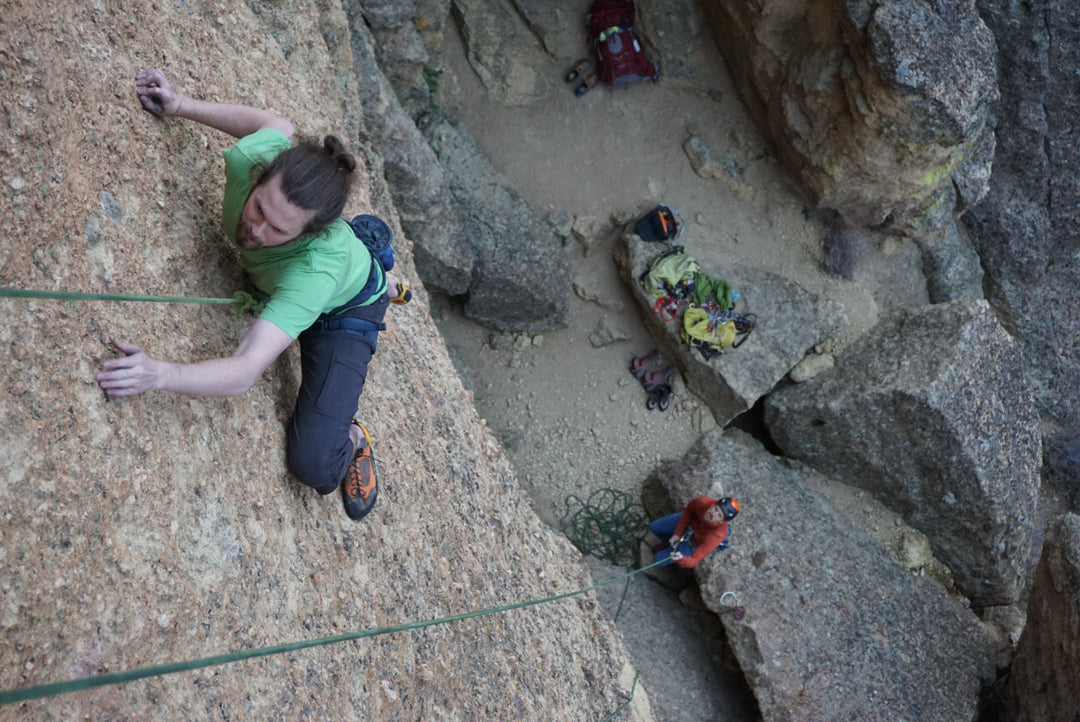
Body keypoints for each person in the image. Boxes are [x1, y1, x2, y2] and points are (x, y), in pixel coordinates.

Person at [96, 68, 404, 521]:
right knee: (323, 250)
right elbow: (276, 126)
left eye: (277, 229)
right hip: (315, 271)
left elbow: (244, 372)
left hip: (343, 310)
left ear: (309, 235)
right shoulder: (255, 161)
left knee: (313, 464)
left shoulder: (313, 271)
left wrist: (158, 374)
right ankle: (372, 252)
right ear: (261, 178)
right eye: (259, 207)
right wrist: (180, 104)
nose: (253, 230)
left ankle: (355, 435)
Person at [649, 496, 739, 568]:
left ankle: (669, 547)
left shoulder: (717, 535)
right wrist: (677, 534)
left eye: (719, 515)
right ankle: (668, 544)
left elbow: (694, 560)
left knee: (657, 561)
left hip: (695, 541)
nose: (713, 514)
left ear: (721, 522)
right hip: (690, 522)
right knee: (654, 527)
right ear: (713, 504)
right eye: (716, 509)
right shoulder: (702, 502)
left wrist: (681, 559)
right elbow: (688, 511)